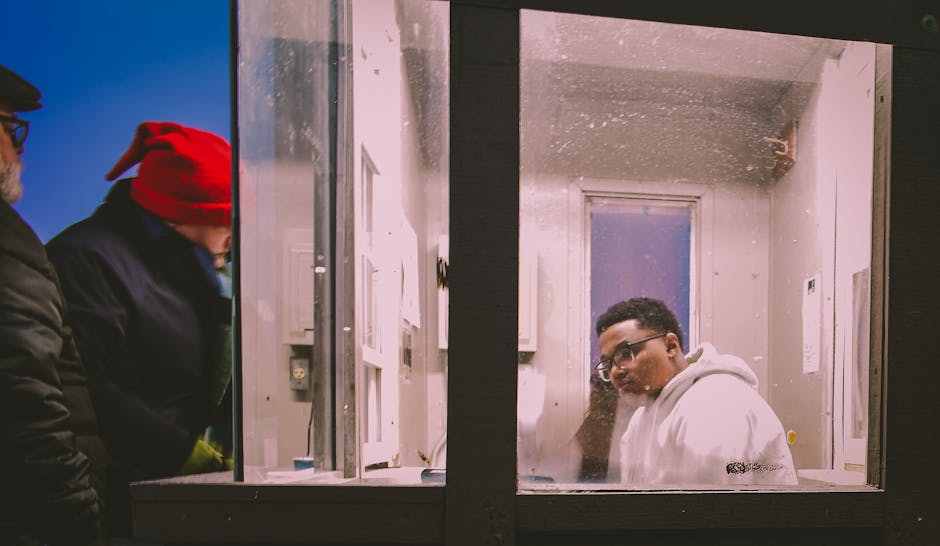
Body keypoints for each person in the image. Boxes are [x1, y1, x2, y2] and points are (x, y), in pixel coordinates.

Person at [46, 121, 235, 538]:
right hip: (112, 498)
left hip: (163, 489)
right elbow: (84, 389)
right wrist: (182, 452)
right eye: (228, 220)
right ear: (182, 216)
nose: (233, 235)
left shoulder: (184, 262)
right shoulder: (86, 260)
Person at [0, 64, 103, 544]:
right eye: (10, 126)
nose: (20, 148)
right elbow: (25, 400)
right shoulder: (8, 244)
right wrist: (77, 518)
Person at [594, 297, 797, 486]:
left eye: (625, 354)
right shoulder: (641, 418)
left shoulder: (715, 403)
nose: (615, 372)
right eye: (608, 363)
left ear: (670, 346)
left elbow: (708, 514)